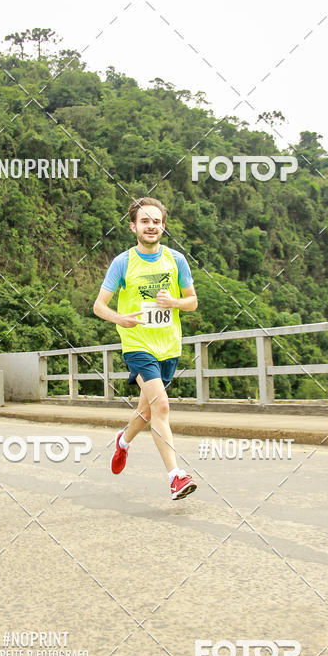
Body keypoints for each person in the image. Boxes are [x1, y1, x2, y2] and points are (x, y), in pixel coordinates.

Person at [93, 198, 198, 500]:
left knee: (148, 411)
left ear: (163, 226)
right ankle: (176, 477)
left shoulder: (176, 260)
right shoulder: (122, 263)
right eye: (144, 221)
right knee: (161, 407)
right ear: (133, 226)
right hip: (137, 345)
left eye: (156, 221)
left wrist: (174, 302)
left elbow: (192, 302)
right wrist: (119, 318)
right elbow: (99, 306)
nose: (150, 226)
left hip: (169, 346)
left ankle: (123, 441)